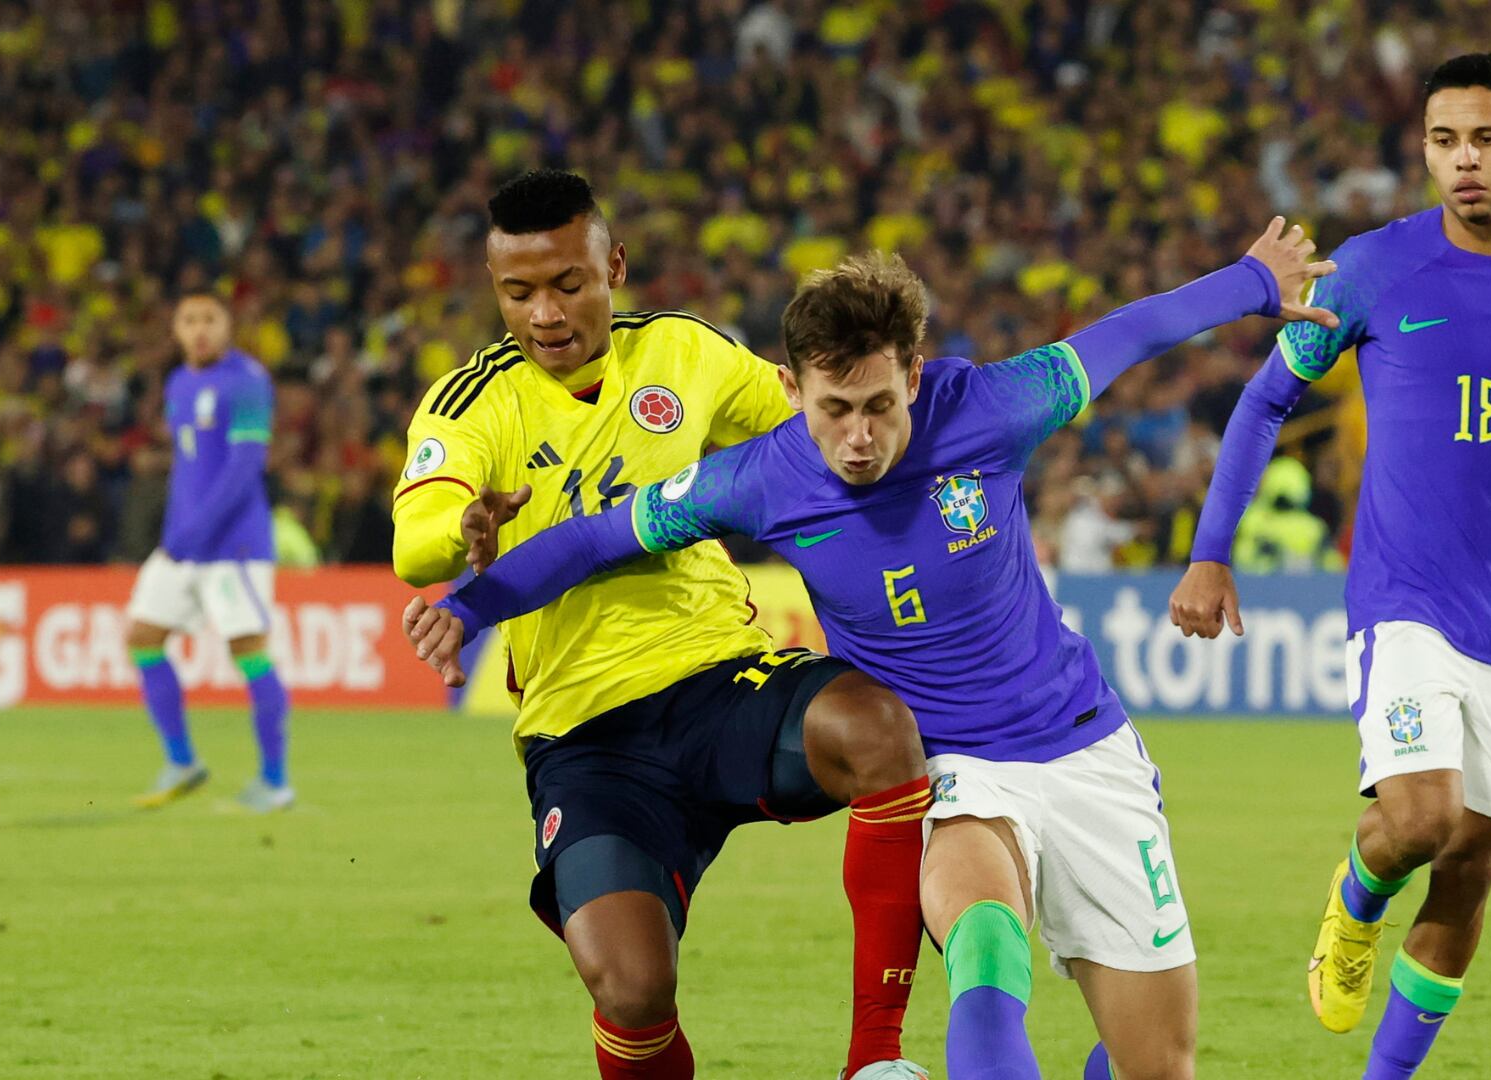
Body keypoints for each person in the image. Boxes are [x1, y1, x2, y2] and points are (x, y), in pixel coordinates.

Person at [404, 219, 1336, 1079]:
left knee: (1157, 1067)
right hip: (955, 767)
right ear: (790, 391)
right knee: (985, 950)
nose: (857, 438)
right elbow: (598, 538)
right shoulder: (759, 477)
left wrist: (1254, 280)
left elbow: (1130, 335)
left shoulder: (994, 409)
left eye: (880, 407)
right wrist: (471, 606)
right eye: (834, 408)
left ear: (916, 378)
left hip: (1086, 747)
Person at [1168, 54, 1491, 1079]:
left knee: (1475, 860)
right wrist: (1210, 553)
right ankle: (1355, 898)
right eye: (1444, 142)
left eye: (1485, 139)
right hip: (1403, 600)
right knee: (1422, 818)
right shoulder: (1371, 269)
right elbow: (1265, 400)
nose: (1464, 161)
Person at [389, 169, 929, 1080]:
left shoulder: (686, 352)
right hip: (588, 736)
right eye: (518, 292)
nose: (545, 313)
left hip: (721, 680)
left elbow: (821, 424)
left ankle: (874, 1062)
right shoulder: (470, 403)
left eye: (568, 284)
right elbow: (417, 544)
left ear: (616, 267)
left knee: (879, 731)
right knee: (633, 989)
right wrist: (462, 529)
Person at [127, 292, 293, 812]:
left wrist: (196, 533)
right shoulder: (178, 383)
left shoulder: (247, 380)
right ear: (175, 328)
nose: (200, 329)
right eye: (189, 319)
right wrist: (176, 532)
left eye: (210, 319)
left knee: (249, 652)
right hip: (182, 544)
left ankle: (274, 780)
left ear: (228, 326)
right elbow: (189, 467)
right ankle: (182, 760)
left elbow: (245, 468)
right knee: (142, 638)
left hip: (233, 548)